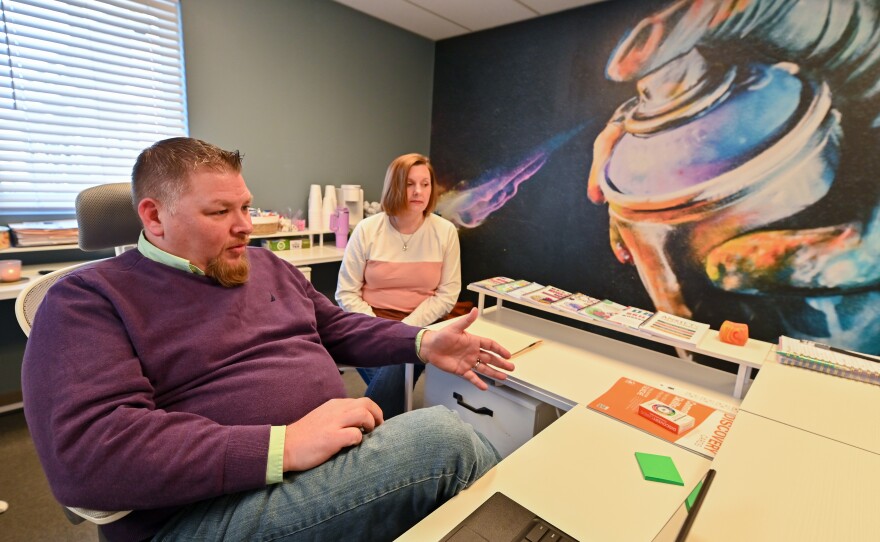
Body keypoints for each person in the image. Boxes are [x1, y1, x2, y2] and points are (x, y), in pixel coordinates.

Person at [21, 137, 514, 542]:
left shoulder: (265, 265)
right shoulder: (86, 300)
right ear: (154, 217)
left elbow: (336, 327)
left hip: (318, 465)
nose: (245, 227)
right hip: (201, 513)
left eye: (246, 207)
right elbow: (89, 455)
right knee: (442, 442)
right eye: (220, 212)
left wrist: (421, 342)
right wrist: (282, 445)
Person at [336, 153, 462, 417]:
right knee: (401, 364)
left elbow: (447, 294)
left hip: (420, 323)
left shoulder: (445, 232)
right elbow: (346, 292)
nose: (418, 192)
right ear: (394, 186)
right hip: (368, 322)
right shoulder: (367, 230)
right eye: (409, 184)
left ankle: (366, 422)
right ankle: (386, 422)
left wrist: (405, 330)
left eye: (425, 184)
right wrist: (378, 329)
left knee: (400, 359)